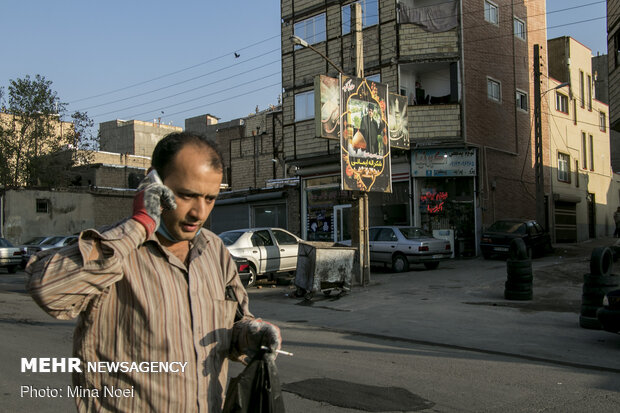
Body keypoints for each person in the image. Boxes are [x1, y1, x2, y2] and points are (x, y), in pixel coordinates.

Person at [26, 132, 281, 412]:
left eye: (210, 198)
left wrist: (251, 334)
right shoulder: (118, 250)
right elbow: (48, 290)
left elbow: (231, 328)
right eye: (186, 195)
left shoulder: (215, 251)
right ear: (153, 182)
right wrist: (140, 224)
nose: (199, 212)